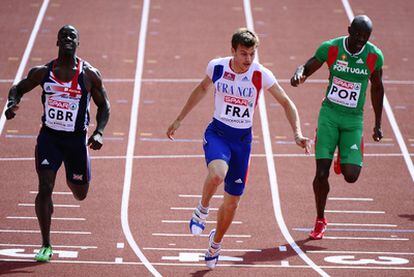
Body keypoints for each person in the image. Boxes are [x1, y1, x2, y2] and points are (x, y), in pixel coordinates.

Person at [167, 27, 310, 269]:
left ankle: (215, 244)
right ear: (232, 50)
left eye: (252, 54)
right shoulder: (218, 67)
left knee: (232, 203)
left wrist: (297, 133)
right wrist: (180, 118)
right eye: (243, 54)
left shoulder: (260, 74)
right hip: (219, 134)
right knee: (217, 174)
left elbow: (287, 102)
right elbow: (202, 89)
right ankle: (201, 210)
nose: (248, 60)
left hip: (242, 142)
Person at [5, 25, 110, 261]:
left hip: (75, 141)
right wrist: (11, 104)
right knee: (45, 187)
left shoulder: (89, 74)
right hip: (49, 138)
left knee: (80, 193)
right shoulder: (43, 72)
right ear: (57, 42)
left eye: (72, 36)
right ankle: (46, 245)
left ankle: (78, 174)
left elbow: (104, 105)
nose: (68, 38)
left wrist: (99, 132)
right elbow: (18, 89)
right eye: (63, 35)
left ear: (78, 43)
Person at [290, 15, 384, 240]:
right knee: (321, 173)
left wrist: (377, 125)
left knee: (351, 176)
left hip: (353, 120)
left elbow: (377, 88)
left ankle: (343, 156)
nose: (361, 40)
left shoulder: (374, 56)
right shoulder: (331, 48)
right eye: (357, 35)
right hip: (329, 116)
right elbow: (309, 66)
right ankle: (320, 219)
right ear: (349, 30)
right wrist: (300, 74)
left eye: (366, 37)